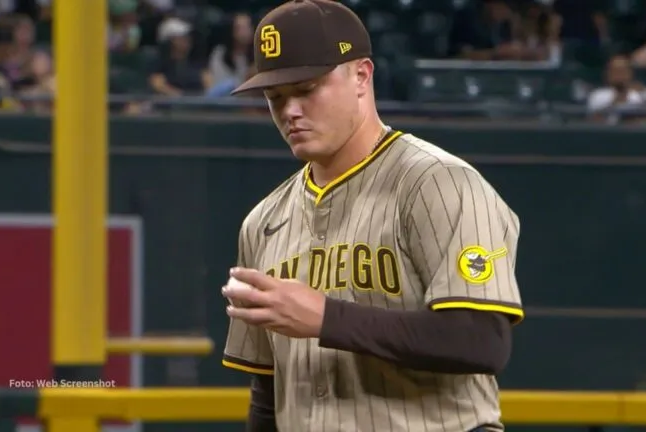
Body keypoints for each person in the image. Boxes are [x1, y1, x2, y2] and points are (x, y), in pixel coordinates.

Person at [220, 1, 523, 431]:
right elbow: (268, 394)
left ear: (361, 76)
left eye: (306, 89)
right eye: (276, 97)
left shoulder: (441, 184)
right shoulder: (262, 222)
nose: (289, 111)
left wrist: (328, 318)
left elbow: (482, 340)